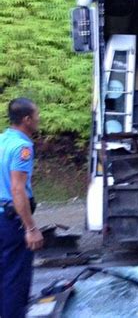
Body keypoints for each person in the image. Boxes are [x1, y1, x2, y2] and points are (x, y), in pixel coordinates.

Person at [0, 98, 43, 318]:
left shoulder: (2, 140)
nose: (39, 119)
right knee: (14, 280)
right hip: (10, 222)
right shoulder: (23, 147)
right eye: (36, 115)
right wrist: (30, 228)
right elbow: (18, 190)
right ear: (26, 119)